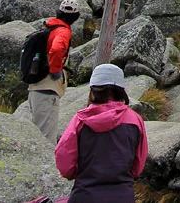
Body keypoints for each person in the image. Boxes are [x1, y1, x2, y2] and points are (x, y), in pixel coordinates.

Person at [55, 64, 148, 203]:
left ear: (93, 91)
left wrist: (76, 173)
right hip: (123, 196)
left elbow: (64, 160)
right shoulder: (135, 120)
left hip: (85, 195)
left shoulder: (80, 120)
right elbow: (138, 166)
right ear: (121, 91)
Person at [28, 0, 80, 141]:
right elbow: (57, 49)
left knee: (37, 133)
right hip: (47, 89)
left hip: (35, 86)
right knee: (46, 137)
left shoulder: (48, 27)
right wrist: (55, 69)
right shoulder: (63, 31)